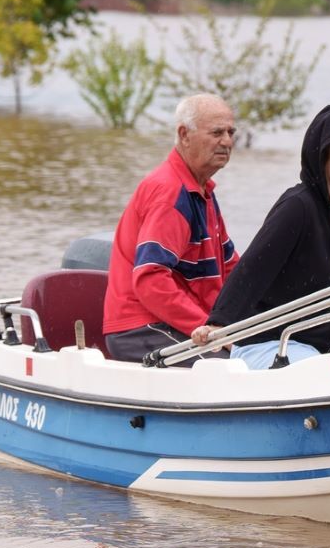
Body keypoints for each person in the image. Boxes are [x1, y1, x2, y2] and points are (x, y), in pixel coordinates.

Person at [203, 105, 330, 366]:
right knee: (318, 372)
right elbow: (252, 271)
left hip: (325, 353)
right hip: (271, 344)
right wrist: (218, 323)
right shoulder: (297, 207)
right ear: (323, 159)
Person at [102, 94, 240, 364]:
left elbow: (231, 268)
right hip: (140, 328)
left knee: (264, 350)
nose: (227, 141)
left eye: (230, 132)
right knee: (234, 369)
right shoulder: (170, 193)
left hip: (178, 323)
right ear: (184, 135)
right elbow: (151, 279)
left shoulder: (203, 191)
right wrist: (207, 328)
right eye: (216, 133)